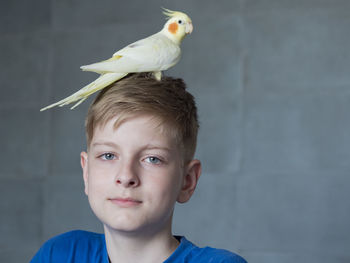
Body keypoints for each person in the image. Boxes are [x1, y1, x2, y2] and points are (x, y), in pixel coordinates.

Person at [31, 73, 247, 263]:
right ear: (86, 172)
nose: (126, 176)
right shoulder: (59, 254)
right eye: (108, 155)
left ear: (187, 180)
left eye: (152, 159)